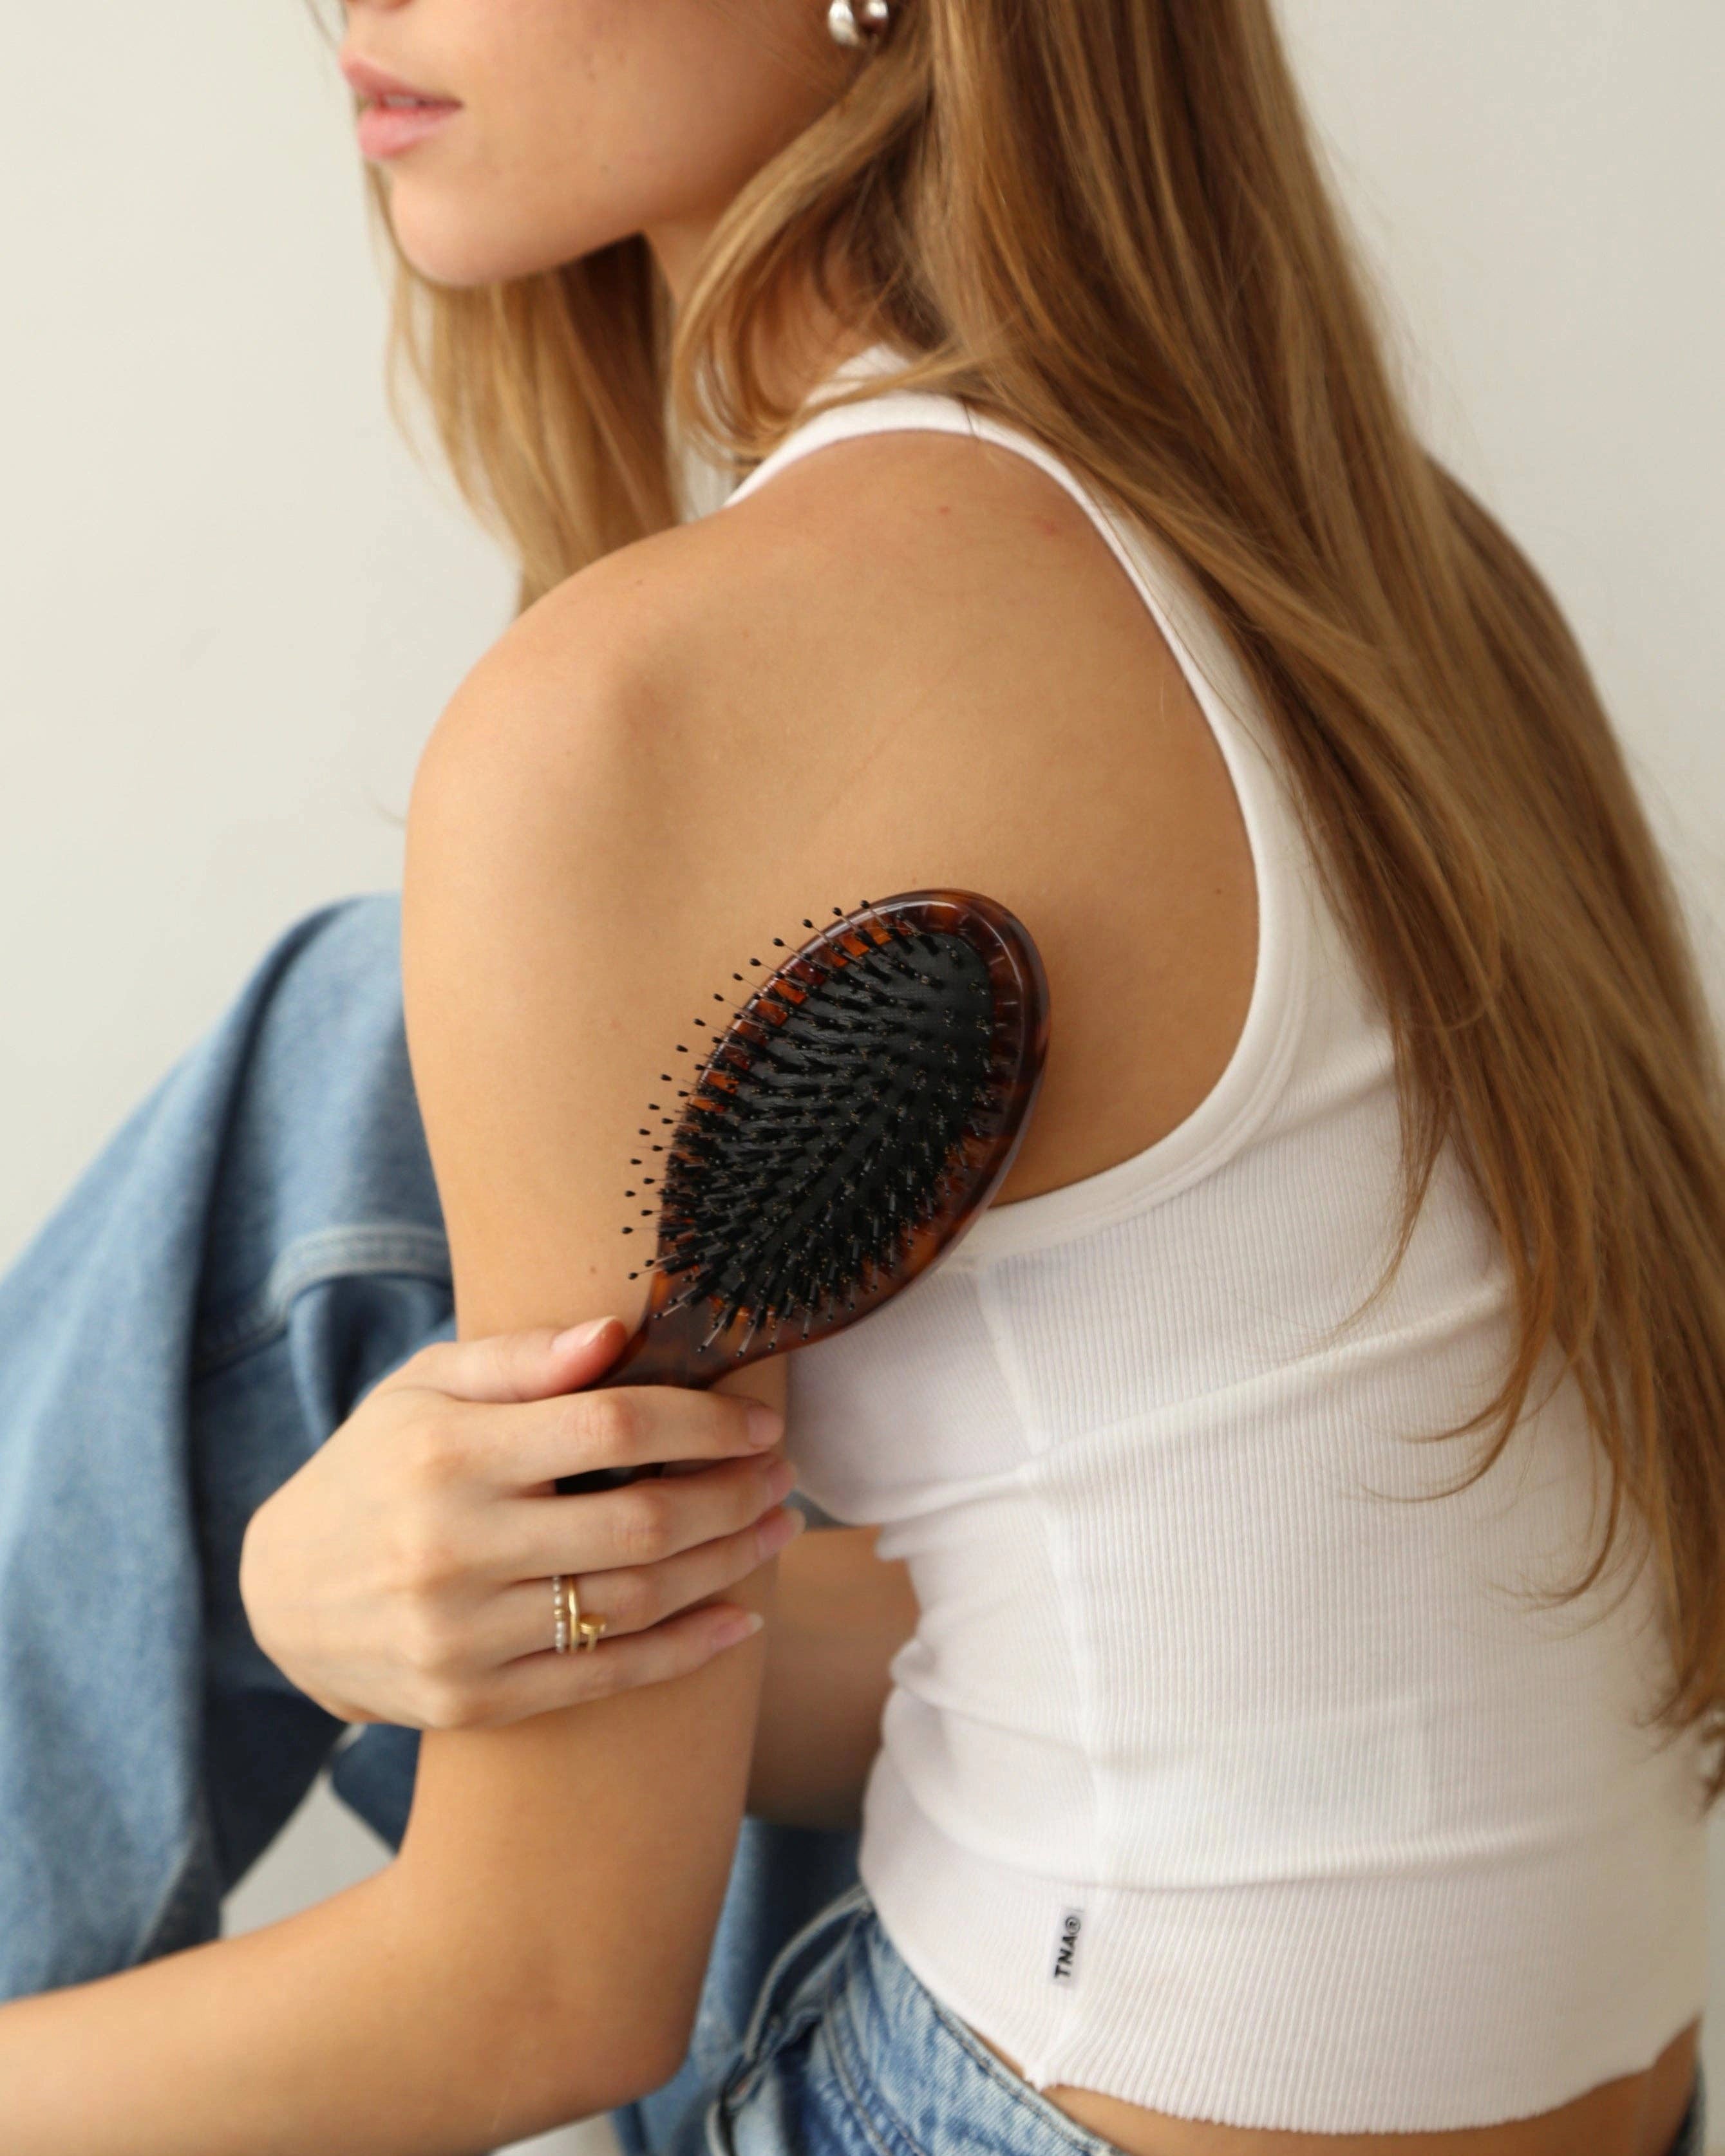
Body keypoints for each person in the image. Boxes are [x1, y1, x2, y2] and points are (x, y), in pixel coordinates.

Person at [0, 1, 1719, 2151]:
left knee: (323, 1083)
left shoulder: (649, 713)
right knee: (357, 1057)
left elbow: (528, 2004)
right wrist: (326, 1597)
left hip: (1043, 2109)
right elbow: (1148, 1656)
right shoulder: (1409, 587)